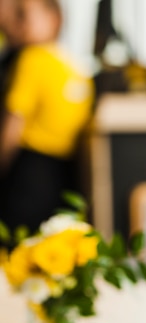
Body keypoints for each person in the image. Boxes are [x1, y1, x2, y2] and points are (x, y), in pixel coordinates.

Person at [0, 0, 94, 236]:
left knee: (17, 238)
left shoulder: (31, 59)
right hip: (63, 171)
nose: (17, 24)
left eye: (24, 16)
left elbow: (13, 123)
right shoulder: (73, 64)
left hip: (29, 171)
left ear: (55, 19)